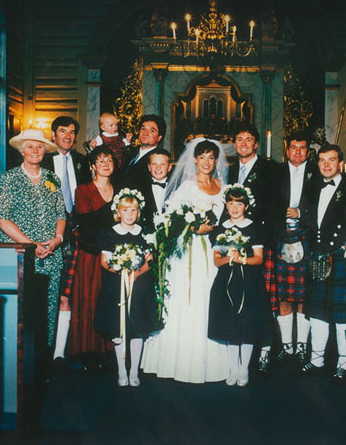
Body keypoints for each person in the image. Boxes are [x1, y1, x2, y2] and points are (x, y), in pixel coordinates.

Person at [140, 138, 230, 383]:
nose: (207, 162)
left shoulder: (222, 186)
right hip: (189, 250)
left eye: (211, 157)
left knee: (209, 296)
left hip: (212, 250)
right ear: (195, 160)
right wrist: (193, 228)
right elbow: (171, 220)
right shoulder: (187, 187)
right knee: (187, 297)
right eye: (202, 157)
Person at [0, 128, 66, 353]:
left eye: (39, 146)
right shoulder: (9, 179)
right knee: (24, 311)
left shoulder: (52, 178)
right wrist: (31, 246)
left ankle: (45, 361)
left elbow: (61, 215)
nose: (35, 150)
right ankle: (20, 363)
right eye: (30, 146)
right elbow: (3, 220)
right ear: (21, 150)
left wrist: (57, 239)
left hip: (51, 257)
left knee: (48, 310)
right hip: (21, 256)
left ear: (45, 150)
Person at [225, 122, 283, 377]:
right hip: (233, 243)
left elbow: (276, 208)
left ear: (256, 144)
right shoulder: (229, 170)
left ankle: (266, 351)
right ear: (234, 143)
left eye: (249, 139)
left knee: (262, 300)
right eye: (239, 139)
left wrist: (263, 238)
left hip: (259, 242)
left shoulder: (271, 169)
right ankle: (238, 356)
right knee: (238, 298)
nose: (244, 143)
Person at [300, 143, 346, 384]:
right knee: (317, 312)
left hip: (340, 255)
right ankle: (317, 360)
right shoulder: (312, 187)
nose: (326, 164)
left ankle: (344, 363)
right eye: (322, 160)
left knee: (343, 315)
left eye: (331, 160)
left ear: (341, 163)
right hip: (316, 254)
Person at [261, 130, 319, 371]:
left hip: (307, 236)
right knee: (284, 295)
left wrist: (301, 214)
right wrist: (281, 229)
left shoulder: (317, 174)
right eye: (294, 147)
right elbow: (265, 203)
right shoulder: (274, 172)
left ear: (308, 151)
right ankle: (286, 346)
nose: (298, 151)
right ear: (286, 149)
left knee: (303, 295)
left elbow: (320, 206)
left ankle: (302, 345)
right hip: (280, 235)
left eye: (303, 147)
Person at [208, 184, 273, 387]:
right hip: (226, 282)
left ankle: (244, 368)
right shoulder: (220, 229)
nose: (234, 208)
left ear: (246, 206)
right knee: (230, 324)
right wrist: (229, 259)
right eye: (230, 203)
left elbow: (259, 259)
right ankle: (233, 368)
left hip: (249, 282)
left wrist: (241, 259)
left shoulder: (255, 228)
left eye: (239, 204)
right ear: (226, 206)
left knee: (247, 325)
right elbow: (217, 260)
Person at [93, 188, 157, 387]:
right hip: (116, 286)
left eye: (133, 211)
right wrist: (120, 271)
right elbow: (104, 261)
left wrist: (136, 273)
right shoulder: (109, 234)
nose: (129, 215)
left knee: (136, 327)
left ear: (138, 213)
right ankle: (122, 371)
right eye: (125, 210)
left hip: (139, 287)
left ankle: (134, 371)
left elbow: (150, 260)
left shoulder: (144, 233)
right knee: (119, 328)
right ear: (118, 212)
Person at [62, 146, 118, 370]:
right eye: (100, 160)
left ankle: (108, 350)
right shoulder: (83, 190)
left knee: (110, 301)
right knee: (89, 300)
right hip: (91, 254)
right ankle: (87, 350)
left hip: (114, 255)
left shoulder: (120, 189)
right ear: (92, 166)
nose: (105, 164)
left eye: (110, 160)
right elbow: (88, 223)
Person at [42, 115, 91, 370]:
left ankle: (61, 352)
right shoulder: (43, 160)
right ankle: (45, 349)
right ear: (53, 135)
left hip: (76, 234)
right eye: (63, 131)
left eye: (72, 132)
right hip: (49, 234)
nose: (68, 136)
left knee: (68, 293)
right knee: (48, 292)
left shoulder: (82, 162)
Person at [120, 114, 167, 189]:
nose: (145, 133)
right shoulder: (131, 151)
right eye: (143, 129)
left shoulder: (160, 156)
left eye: (152, 130)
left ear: (159, 137)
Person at [137, 148, 173, 233]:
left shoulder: (177, 187)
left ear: (169, 167)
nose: (158, 168)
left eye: (162, 164)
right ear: (149, 167)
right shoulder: (139, 188)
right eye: (154, 164)